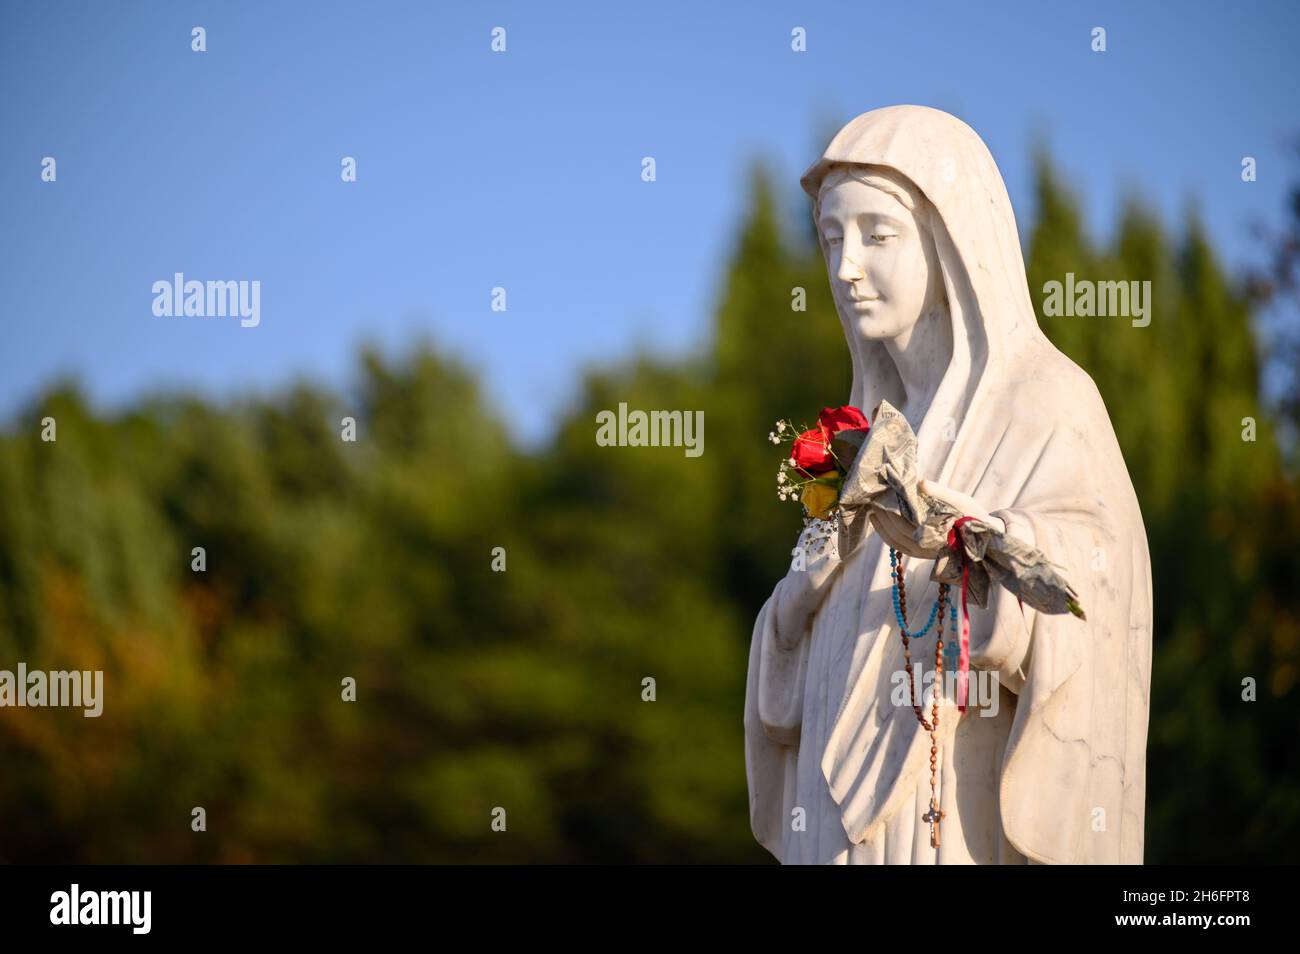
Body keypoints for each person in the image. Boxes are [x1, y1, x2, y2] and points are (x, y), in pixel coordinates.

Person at [744, 105, 1153, 864]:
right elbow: (791, 682)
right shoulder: (859, 435)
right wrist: (791, 608)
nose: (845, 268)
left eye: (877, 234)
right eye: (832, 239)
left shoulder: (1046, 400)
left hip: (949, 807)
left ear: (949, 239)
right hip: (828, 817)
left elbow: (1103, 581)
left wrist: (988, 541)